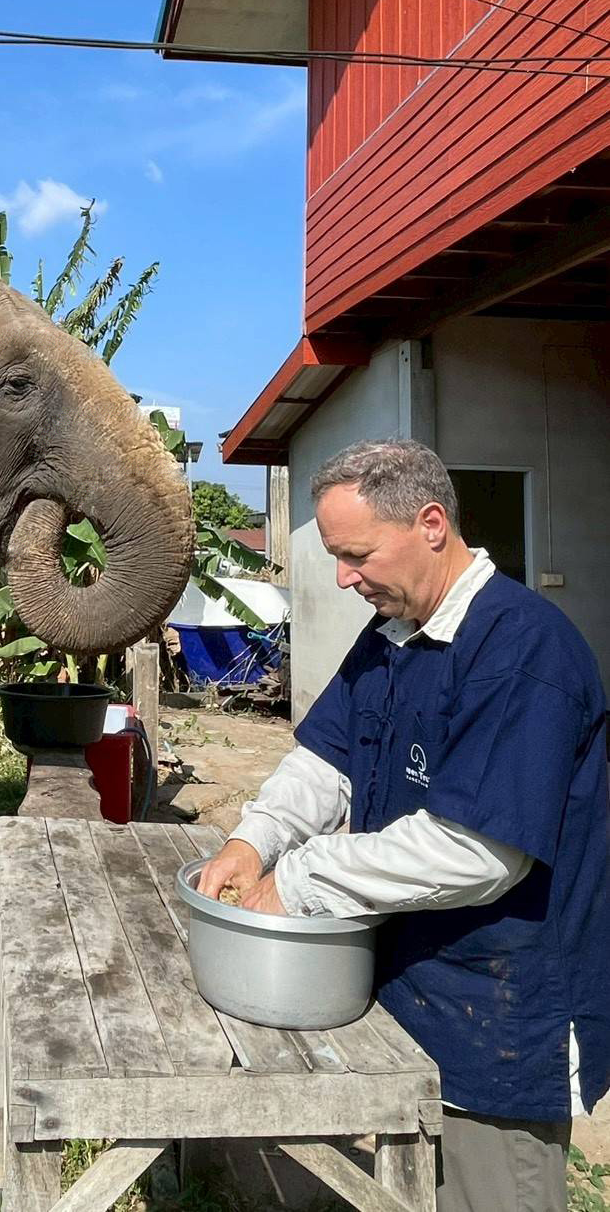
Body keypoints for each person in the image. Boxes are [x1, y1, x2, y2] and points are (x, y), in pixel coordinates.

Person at [198, 439, 610, 1212]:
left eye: (356, 554)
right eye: (335, 556)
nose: (344, 577)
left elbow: (479, 851)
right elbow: (327, 763)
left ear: (429, 523)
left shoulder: (523, 650)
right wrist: (253, 839)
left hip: (500, 1020)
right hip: (404, 988)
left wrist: (301, 878)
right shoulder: (392, 635)